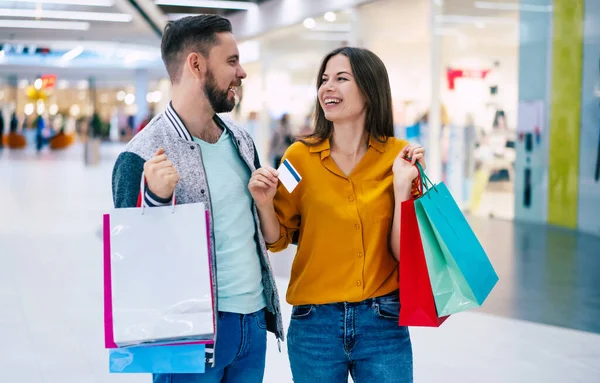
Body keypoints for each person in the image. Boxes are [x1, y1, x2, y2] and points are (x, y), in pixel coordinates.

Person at [111, 15, 284, 383]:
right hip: (189, 332)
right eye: (232, 61)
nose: (242, 73)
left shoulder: (241, 140)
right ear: (196, 64)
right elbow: (131, 265)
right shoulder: (141, 156)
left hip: (252, 327)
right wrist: (156, 201)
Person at [248, 47, 426, 383]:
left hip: (383, 321)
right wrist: (263, 203)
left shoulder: (398, 157)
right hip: (315, 325)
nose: (328, 87)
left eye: (341, 78)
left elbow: (404, 254)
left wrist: (402, 188)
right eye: (324, 79)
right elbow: (276, 240)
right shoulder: (298, 157)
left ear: (369, 88)